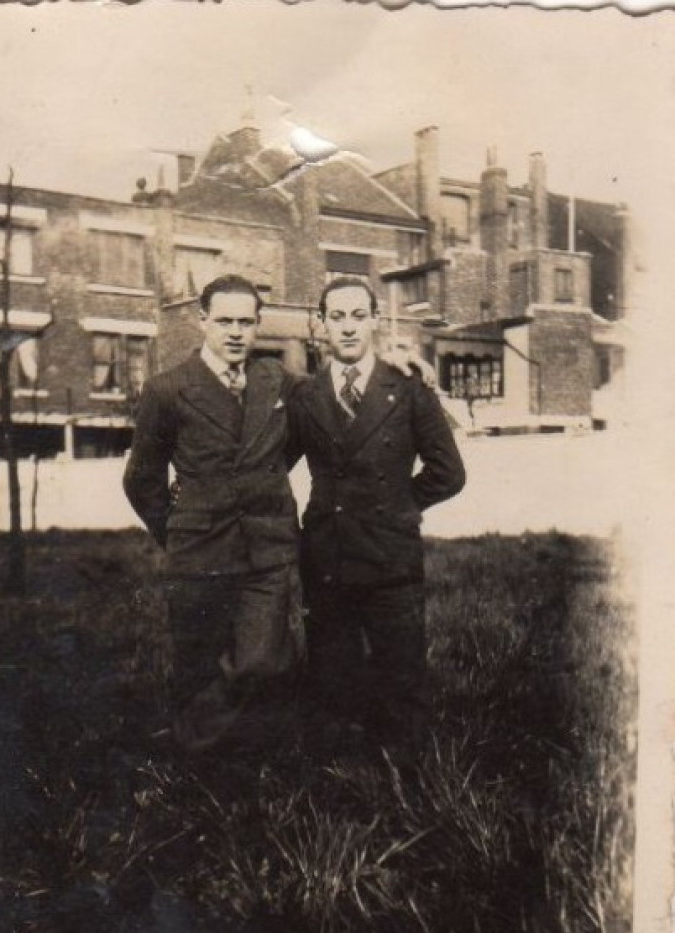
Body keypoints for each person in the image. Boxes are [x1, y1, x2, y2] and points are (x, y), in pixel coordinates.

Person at [123, 274, 304, 763]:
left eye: (246, 322)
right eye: (224, 321)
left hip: (266, 550)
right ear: (202, 321)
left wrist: (398, 362)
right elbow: (141, 479)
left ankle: (219, 748)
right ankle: (202, 766)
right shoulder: (168, 389)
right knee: (199, 664)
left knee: (261, 659)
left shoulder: (277, 380)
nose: (236, 332)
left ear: (258, 325)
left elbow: (320, 409)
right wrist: (179, 529)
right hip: (199, 551)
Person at [288, 276, 466, 760]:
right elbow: (272, 464)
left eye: (358, 316)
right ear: (320, 324)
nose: (347, 328)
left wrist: (397, 507)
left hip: (392, 561)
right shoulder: (303, 395)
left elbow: (449, 472)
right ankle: (336, 791)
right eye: (337, 317)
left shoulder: (405, 388)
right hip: (327, 559)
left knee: (401, 676)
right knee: (330, 676)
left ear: (376, 322)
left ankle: (408, 784)